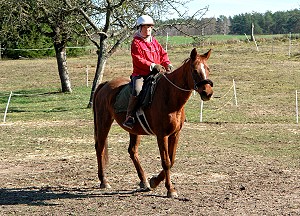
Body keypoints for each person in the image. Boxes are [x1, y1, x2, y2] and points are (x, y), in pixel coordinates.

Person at [123, 15, 173, 129]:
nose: (148, 29)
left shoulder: (154, 42)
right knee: (137, 89)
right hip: (141, 74)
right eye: (146, 27)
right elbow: (138, 59)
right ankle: (129, 116)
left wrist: (167, 64)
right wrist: (153, 65)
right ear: (140, 28)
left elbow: (163, 54)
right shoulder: (136, 42)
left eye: (150, 27)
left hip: (157, 73)